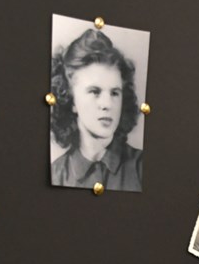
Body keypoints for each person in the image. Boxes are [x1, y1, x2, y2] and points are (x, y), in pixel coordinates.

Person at [50, 29, 143, 192]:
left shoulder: (141, 167)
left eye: (115, 93)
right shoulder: (56, 175)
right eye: (95, 91)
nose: (107, 104)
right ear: (71, 100)